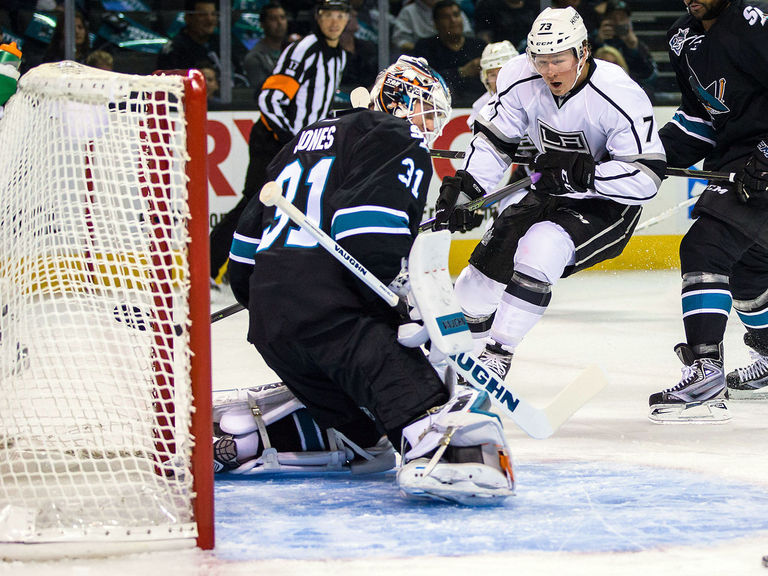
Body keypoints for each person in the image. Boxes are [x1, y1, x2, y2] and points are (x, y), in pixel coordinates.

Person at [219, 55, 514, 503]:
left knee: (366, 440)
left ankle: (269, 436)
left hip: (270, 329)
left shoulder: (301, 141)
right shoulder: (395, 135)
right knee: (423, 388)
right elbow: (368, 238)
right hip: (336, 319)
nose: (432, 124)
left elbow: (240, 260)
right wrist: (394, 307)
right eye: (428, 110)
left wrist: (274, 299)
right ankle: (448, 449)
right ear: (402, 98)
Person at [432, 7, 666, 385]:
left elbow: (647, 177)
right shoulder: (519, 76)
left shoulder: (619, 93)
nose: (549, 70)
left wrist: (588, 174)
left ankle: (497, 355)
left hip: (607, 203)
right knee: (473, 290)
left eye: (558, 60)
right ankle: (465, 362)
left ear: (584, 52)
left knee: (539, 248)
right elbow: (496, 142)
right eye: (541, 60)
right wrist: (470, 187)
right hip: (548, 190)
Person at [649, 0, 768, 420]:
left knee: (706, 248)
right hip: (736, 163)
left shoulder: (756, 20)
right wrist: (644, 155)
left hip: (761, 158)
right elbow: (700, 118)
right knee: (749, 268)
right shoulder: (682, 39)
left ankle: (706, 371)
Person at [209, 0, 350, 284]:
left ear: (347, 18)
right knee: (254, 203)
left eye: (340, 15)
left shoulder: (339, 56)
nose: (334, 22)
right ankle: (208, 267)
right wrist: (288, 137)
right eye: (328, 15)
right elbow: (270, 99)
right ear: (317, 17)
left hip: (301, 142)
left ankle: (263, 267)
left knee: (296, 205)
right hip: (273, 138)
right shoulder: (305, 49)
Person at [413, 0, 486, 108]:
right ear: (435, 23)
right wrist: (461, 72)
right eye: (446, 17)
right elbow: (424, 81)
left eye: (456, 15)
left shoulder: (479, 45)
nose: (453, 21)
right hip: (440, 106)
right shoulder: (425, 47)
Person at [156, 0, 247, 86]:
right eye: (203, 15)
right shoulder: (175, 48)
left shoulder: (221, 43)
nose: (210, 20)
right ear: (188, 18)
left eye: (213, 14)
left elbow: (240, 77)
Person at [593, 1, 658, 99]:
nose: (618, 22)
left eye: (622, 18)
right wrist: (597, 42)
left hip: (629, 93)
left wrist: (634, 48)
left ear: (628, 20)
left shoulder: (636, 44)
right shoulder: (593, 40)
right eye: (613, 18)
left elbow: (650, 77)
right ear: (605, 20)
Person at [390, 0, 473, 55]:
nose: (453, 19)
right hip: (421, 57)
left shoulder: (451, 8)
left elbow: (467, 35)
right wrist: (425, 50)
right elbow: (400, 42)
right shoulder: (408, 11)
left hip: (454, 54)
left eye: (455, 15)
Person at [243, 2, 289, 93]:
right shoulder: (255, 57)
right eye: (273, 19)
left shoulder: (292, 51)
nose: (279, 23)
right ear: (262, 25)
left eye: (282, 18)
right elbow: (262, 91)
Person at [473, 0, 537, 48]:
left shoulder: (534, 3)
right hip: (501, 53)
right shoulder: (487, 6)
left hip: (533, 49)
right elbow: (484, 38)